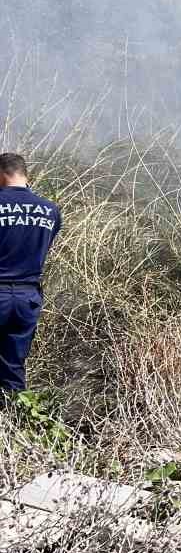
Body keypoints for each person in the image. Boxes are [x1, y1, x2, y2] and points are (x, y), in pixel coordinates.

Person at [0, 153, 62, 398]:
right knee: (13, 365)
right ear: (25, 176)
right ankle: (13, 423)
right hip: (28, 298)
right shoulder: (50, 210)